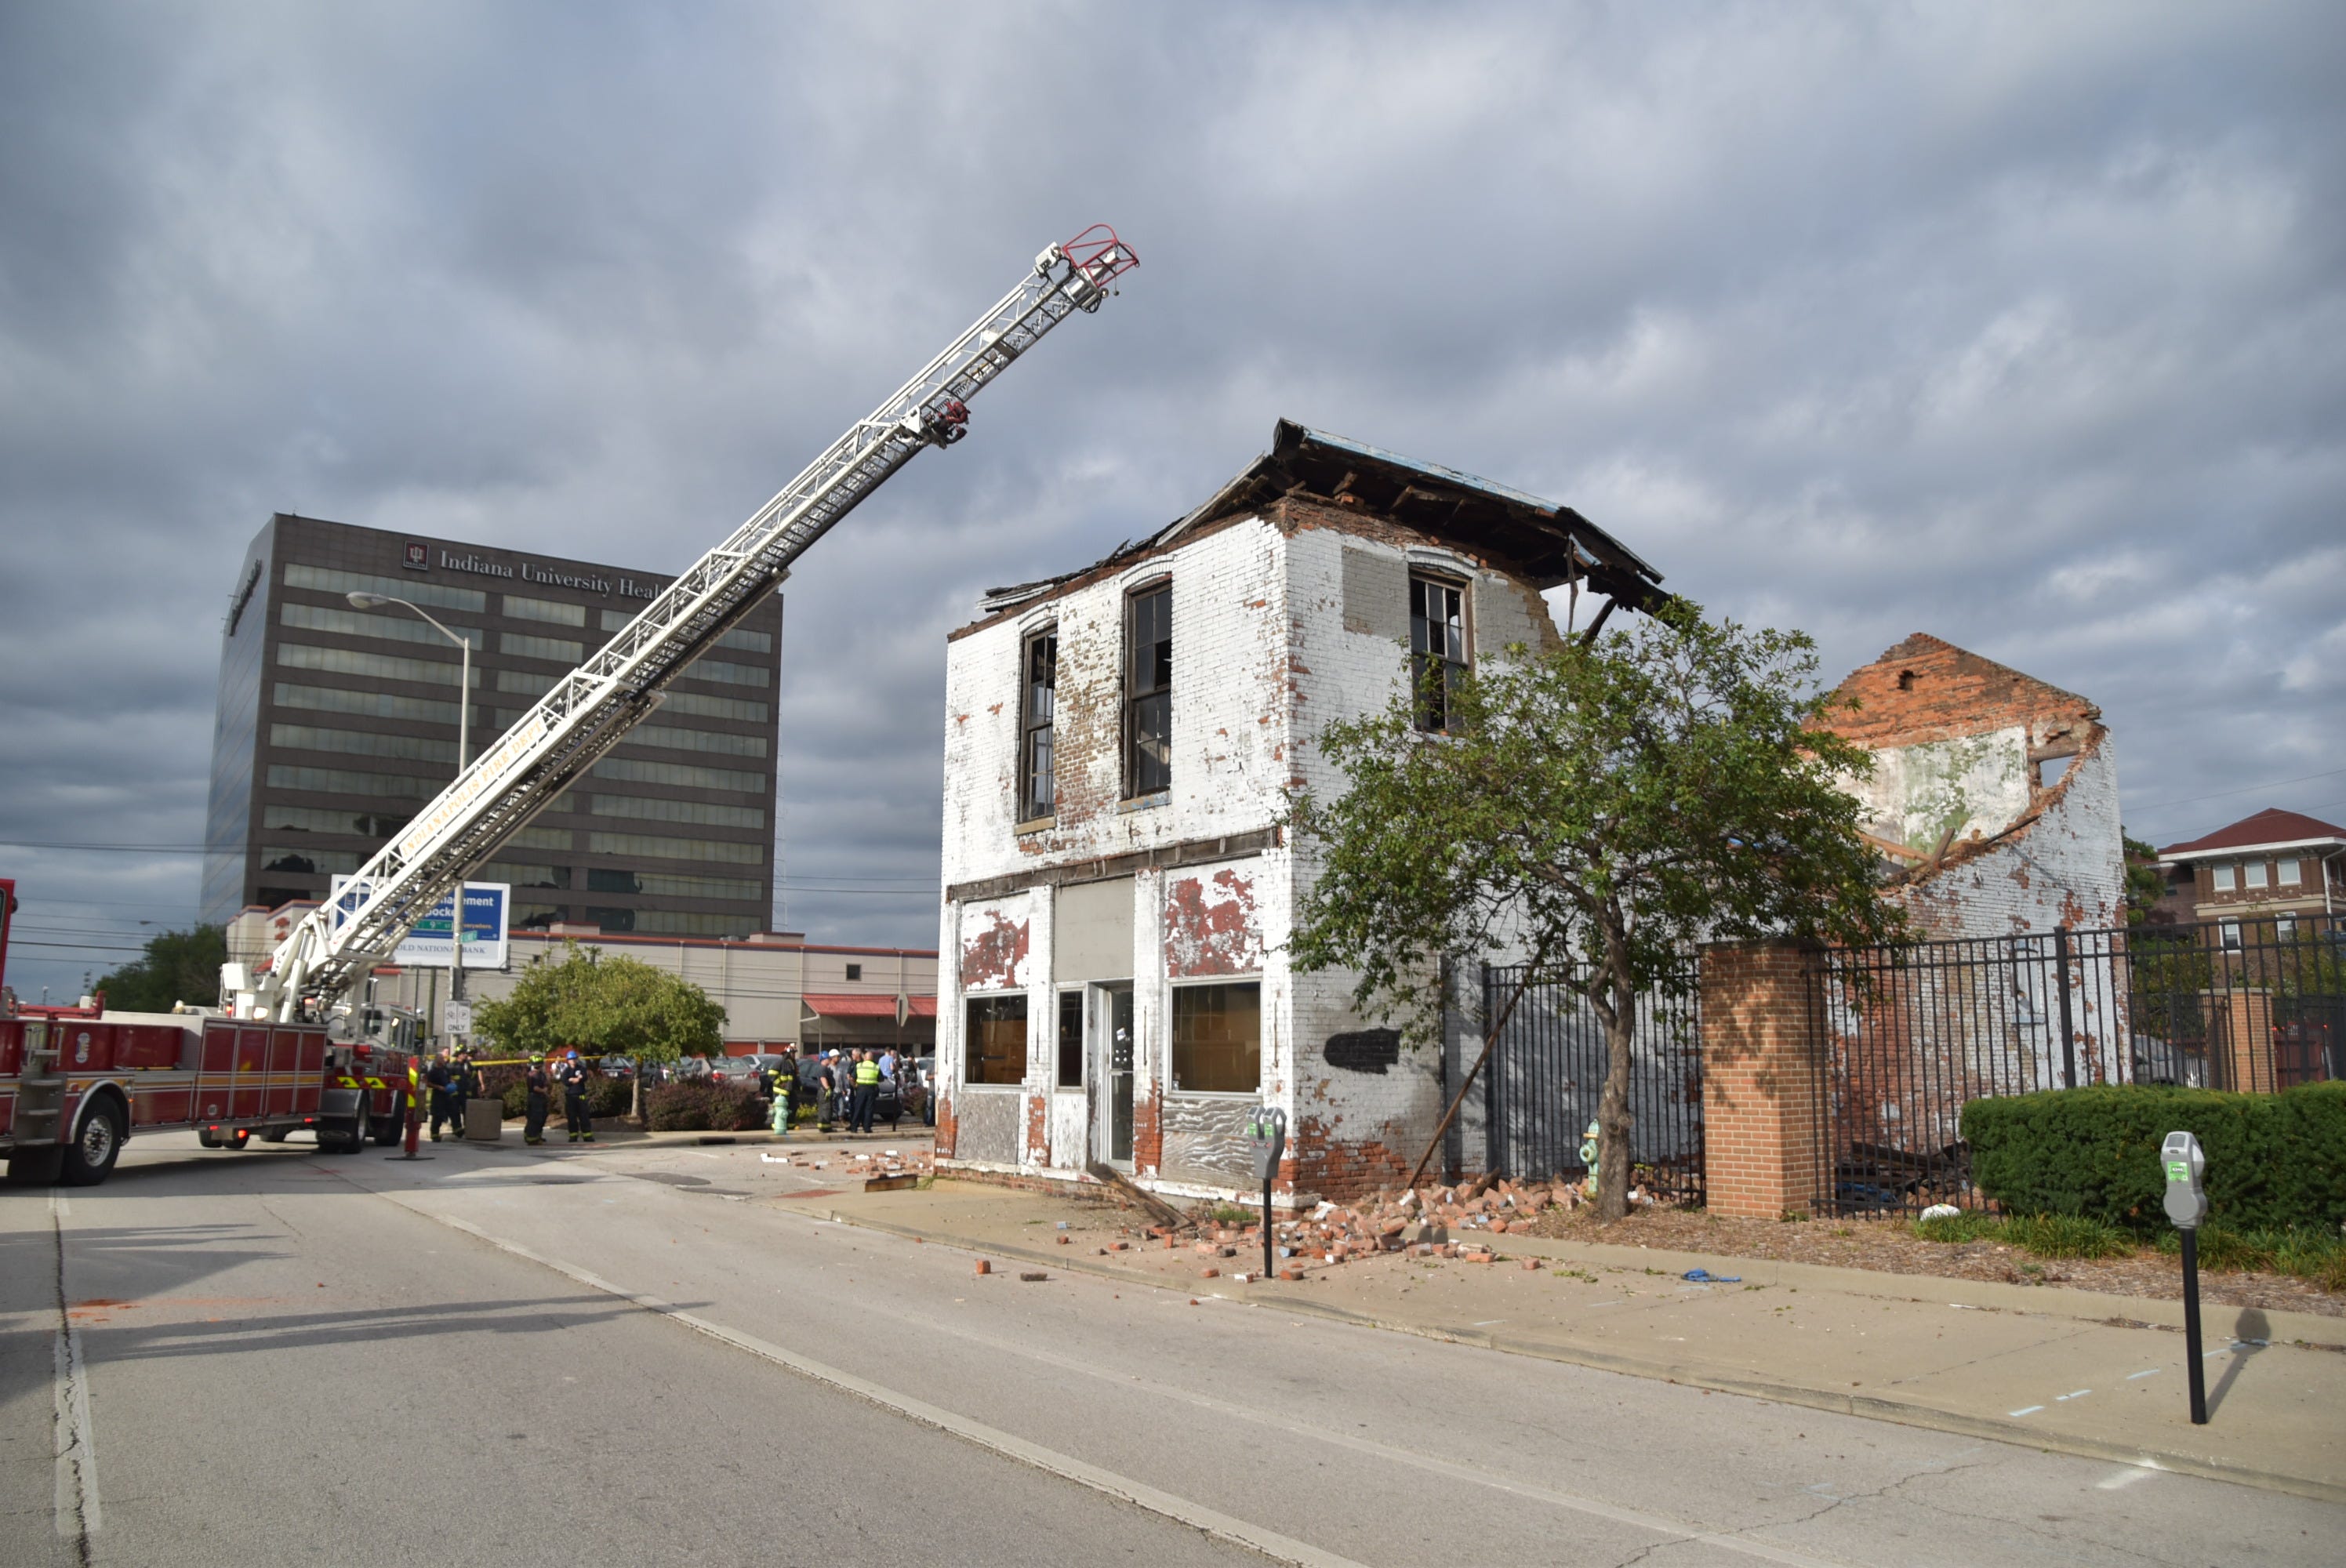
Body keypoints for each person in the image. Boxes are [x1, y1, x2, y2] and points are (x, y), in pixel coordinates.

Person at [556, 1048, 594, 1144]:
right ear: (568, 1061)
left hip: (581, 1095)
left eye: (574, 1059)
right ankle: (573, 1136)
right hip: (571, 1097)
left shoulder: (581, 1068)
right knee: (572, 1117)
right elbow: (564, 1081)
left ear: (577, 1059)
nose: (573, 1061)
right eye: (571, 1059)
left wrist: (576, 1079)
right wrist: (573, 1079)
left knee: (584, 1116)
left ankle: (587, 1136)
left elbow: (584, 1077)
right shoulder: (566, 1071)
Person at [426, 1047, 459, 1142]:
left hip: (447, 1095)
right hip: (438, 1096)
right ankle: (435, 1135)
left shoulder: (445, 1069)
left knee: (453, 1111)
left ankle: (457, 1131)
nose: (443, 1060)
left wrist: (452, 1083)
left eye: (443, 1058)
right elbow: (428, 1083)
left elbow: (449, 1078)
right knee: (438, 1116)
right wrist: (438, 1087)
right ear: (437, 1060)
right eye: (441, 1059)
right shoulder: (433, 1072)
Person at [849, 1047, 881, 1135]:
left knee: (858, 1108)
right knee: (869, 1109)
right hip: (871, 1089)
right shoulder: (876, 1067)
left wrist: (855, 1086)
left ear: (865, 1058)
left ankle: (854, 1128)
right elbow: (881, 1079)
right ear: (872, 1058)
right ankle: (867, 1128)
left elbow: (852, 1078)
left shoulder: (859, 1066)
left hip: (861, 1089)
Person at [451, 1047, 481, 1139]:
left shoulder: (467, 1064)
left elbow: (473, 1075)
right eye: (463, 1053)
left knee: (467, 1112)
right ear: (458, 1055)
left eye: (465, 1053)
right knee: (455, 1112)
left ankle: (468, 1130)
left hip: (465, 1092)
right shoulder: (452, 1065)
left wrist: (469, 1074)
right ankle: (457, 1130)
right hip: (455, 1093)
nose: (465, 1055)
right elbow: (449, 1078)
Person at [522, 1054, 552, 1145]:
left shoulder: (537, 1074)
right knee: (536, 1118)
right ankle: (532, 1139)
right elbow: (536, 1088)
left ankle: (536, 1136)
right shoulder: (535, 1075)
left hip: (538, 1098)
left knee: (540, 1117)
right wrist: (544, 1091)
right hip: (536, 1098)